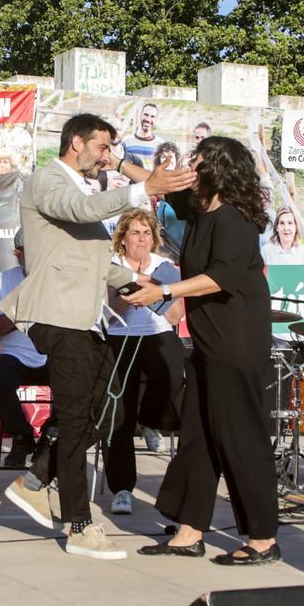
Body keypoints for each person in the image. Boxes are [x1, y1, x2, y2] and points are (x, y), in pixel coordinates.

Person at [0, 112, 195, 560]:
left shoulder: (81, 190)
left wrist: (145, 289)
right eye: (103, 147)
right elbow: (81, 211)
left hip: (88, 318)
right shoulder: (47, 181)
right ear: (76, 143)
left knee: (101, 409)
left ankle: (33, 482)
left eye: (109, 149)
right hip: (58, 315)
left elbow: (97, 261)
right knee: (73, 417)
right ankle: (79, 526)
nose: (107, 157)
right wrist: (147, 188)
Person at [128, 136, 281, 566]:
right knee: (195, 437)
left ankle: (264, 539)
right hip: (209, 343)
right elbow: (154, 183)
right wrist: (116, 161)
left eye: (196, 159)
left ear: (216, 167)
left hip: (237, 343)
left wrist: (164, 290)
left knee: (240, 438)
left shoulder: (235, 220)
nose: (188, 164)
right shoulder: (198, 209)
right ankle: (189, 530)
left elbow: (221, 278)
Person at [102, 209, 185, 516]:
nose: (141, 239)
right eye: (135, 233)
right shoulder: (114, 266)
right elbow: (110, 309)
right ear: (122, 238)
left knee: (173, 371)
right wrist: (131, 287)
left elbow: (175, 316)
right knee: (118, 415)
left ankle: (150, 421)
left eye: (147, 233)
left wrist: (156, 292)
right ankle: (122, 489)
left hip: (157, 333)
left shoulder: (165, 266)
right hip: (120, 336)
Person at [0, 229, 47, 468]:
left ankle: (50, 440)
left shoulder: (59, 279)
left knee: (75, 375)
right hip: (15, 356)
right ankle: (22, 437)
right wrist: (18, 313)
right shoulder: (6, 280)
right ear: (18, 254)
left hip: (54, 354)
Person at [0, 150, 27, 278]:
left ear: (11, 164)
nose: (1, 165)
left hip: (13, 237)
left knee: (15, 275)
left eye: (5, 162)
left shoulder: (22, 182)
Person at [152, 142, 187, 259]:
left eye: (171, 156)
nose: (167, 159)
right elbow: (160, 224)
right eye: (164, 156)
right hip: (170, 253)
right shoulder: (160, 193)